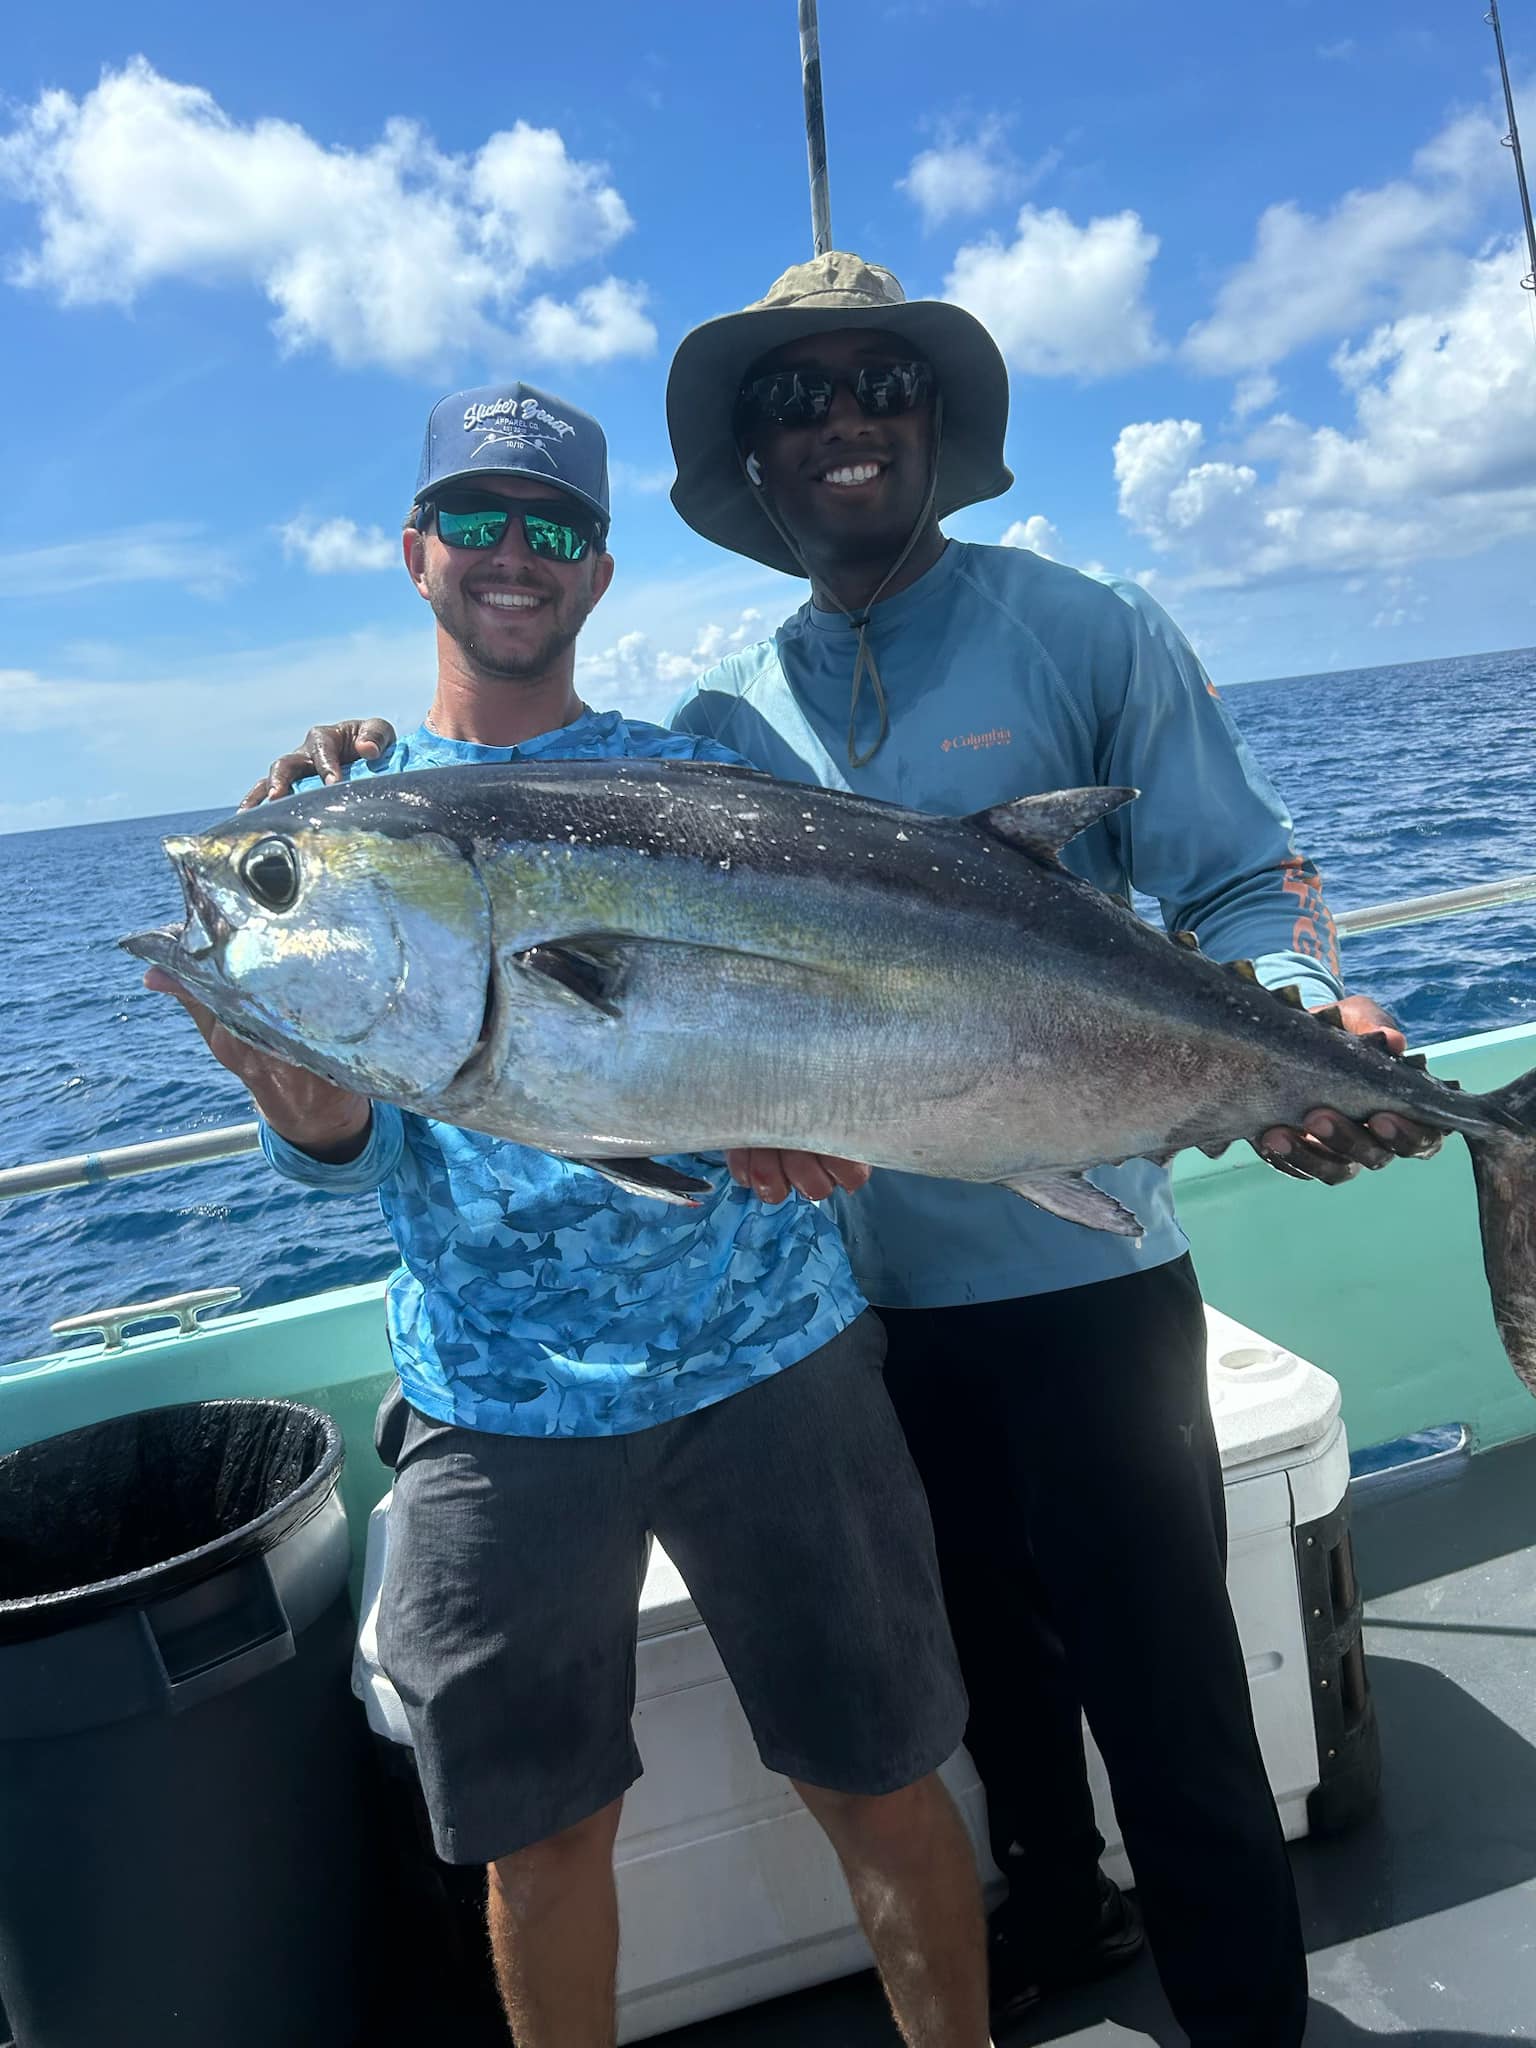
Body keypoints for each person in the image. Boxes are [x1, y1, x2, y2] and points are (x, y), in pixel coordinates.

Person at [247, 269, 1438, 2044]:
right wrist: (332, 812)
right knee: (981, 1710)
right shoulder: (721, 717)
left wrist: (1302, 1028)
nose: (843, 421)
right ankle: (1057, 1931)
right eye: (797, 404)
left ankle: (1251, 2018)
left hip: (1057, 1269)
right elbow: (621, 981)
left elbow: (1244, 887)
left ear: (937, 422)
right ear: (756, 464)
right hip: (861, 1309)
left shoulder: (1082, 626)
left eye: (880, 381)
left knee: (1165, 1698)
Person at [147, 380, 994, 2048]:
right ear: (415, 555)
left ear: (599, 572)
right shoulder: (340, 823)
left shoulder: (697, 774)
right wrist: (307, 1115)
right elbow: (357, 1152)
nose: (511, 556)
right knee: (538, 1847)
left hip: (772, 1358)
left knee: (884, 1782)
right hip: (492, 1396)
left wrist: (806, 1126)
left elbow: (832, 1033)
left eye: (552, 527)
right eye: (475, 520)